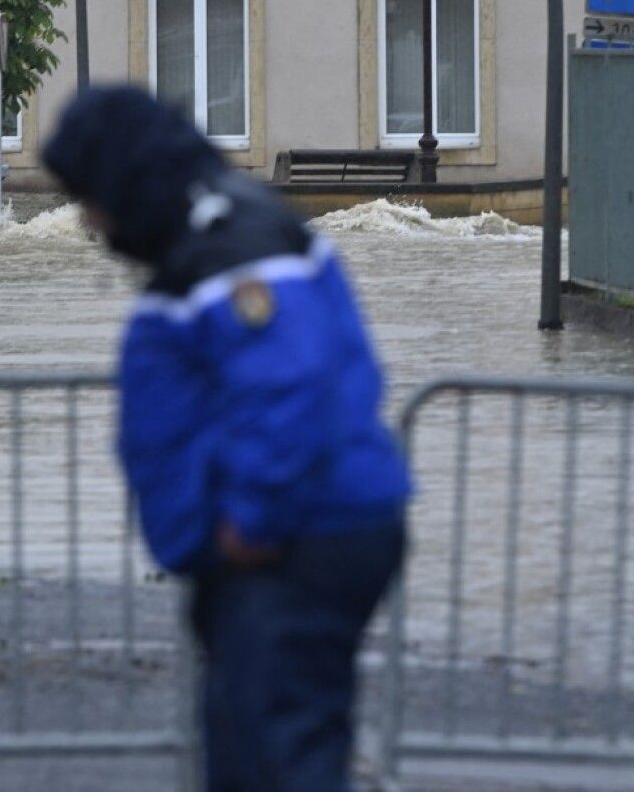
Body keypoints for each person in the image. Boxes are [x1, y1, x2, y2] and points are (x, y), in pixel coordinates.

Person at [42, 85, 412, 792]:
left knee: (274, 756)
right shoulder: (226, 229)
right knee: (262, 747)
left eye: (87, 194)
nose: (87, 217)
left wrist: (252, 515)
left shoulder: (231, 245)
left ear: (123, 176)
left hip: (291, 543)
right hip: (294, 539)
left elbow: (290, 386)